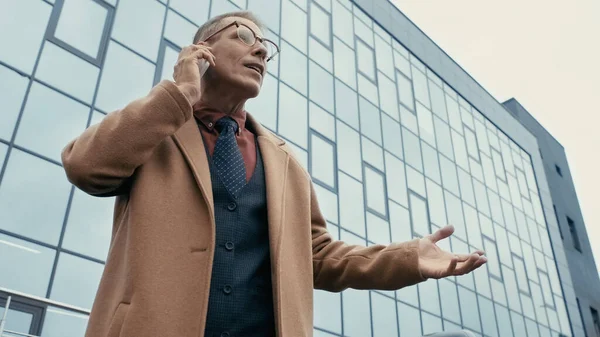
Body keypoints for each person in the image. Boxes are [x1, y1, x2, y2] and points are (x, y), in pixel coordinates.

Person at [61, 10, 487, 337]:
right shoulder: (154, 128)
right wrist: (180, 93)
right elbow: (85, 167)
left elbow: (317, 256)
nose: (261, 51)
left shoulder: (285, 163)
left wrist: (408, 257)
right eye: (243, 36)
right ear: (201, 51)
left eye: (266, 46)